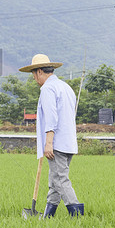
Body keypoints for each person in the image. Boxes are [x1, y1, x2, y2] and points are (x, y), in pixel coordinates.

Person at [19, 54, 84, 217]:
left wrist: (48, 143)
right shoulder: (65, 87)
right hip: (68, 142)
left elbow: (51, 117)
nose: (34, 79)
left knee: (61, 180)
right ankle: (48, 217)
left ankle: (77, 215)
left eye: (33, 75)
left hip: (57, 143)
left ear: (39, 72)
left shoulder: (48, 88)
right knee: (55, 181)